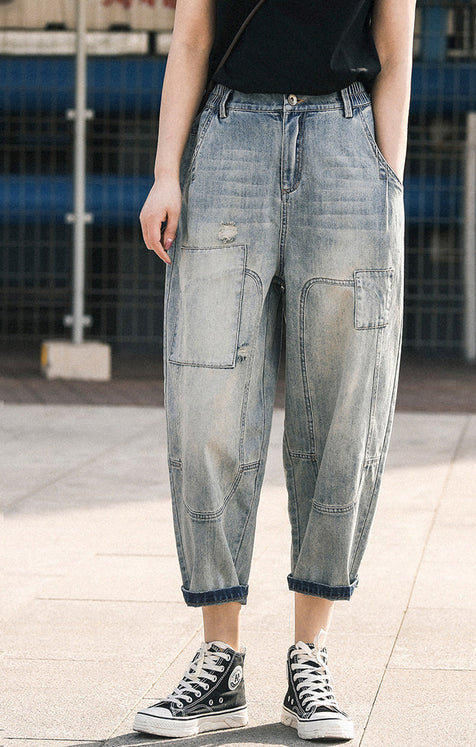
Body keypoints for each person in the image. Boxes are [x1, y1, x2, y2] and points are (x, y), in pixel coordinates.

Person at [134, 0, 416, 740]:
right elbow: (192, 38)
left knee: (342, 410)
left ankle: (310, 657)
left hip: (345, 144)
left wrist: (386, 177)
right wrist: (166, 173)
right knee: (208, 405)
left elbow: (395, 50)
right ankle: (219, 659)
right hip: (230, 141)